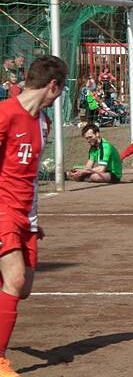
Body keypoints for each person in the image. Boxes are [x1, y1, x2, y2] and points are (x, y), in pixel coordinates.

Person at [0, 54, 68, 376]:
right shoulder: (5, 114)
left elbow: (31, 176)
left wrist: (34, 218)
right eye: (61, 90)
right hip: (2, 209)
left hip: (25, 214)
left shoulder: (44, 122)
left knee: (22, 287)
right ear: (52, 86)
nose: (59, 98)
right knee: (13, 279)